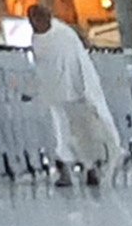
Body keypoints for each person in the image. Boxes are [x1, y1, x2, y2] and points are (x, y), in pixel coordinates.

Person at [28, 15, 122, 184]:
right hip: (65, 95)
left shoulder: (61, 38)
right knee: (72, 133)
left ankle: (84, 168)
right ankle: (85, 167)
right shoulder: (48, 40)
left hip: (71, 94)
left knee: (73, 132)